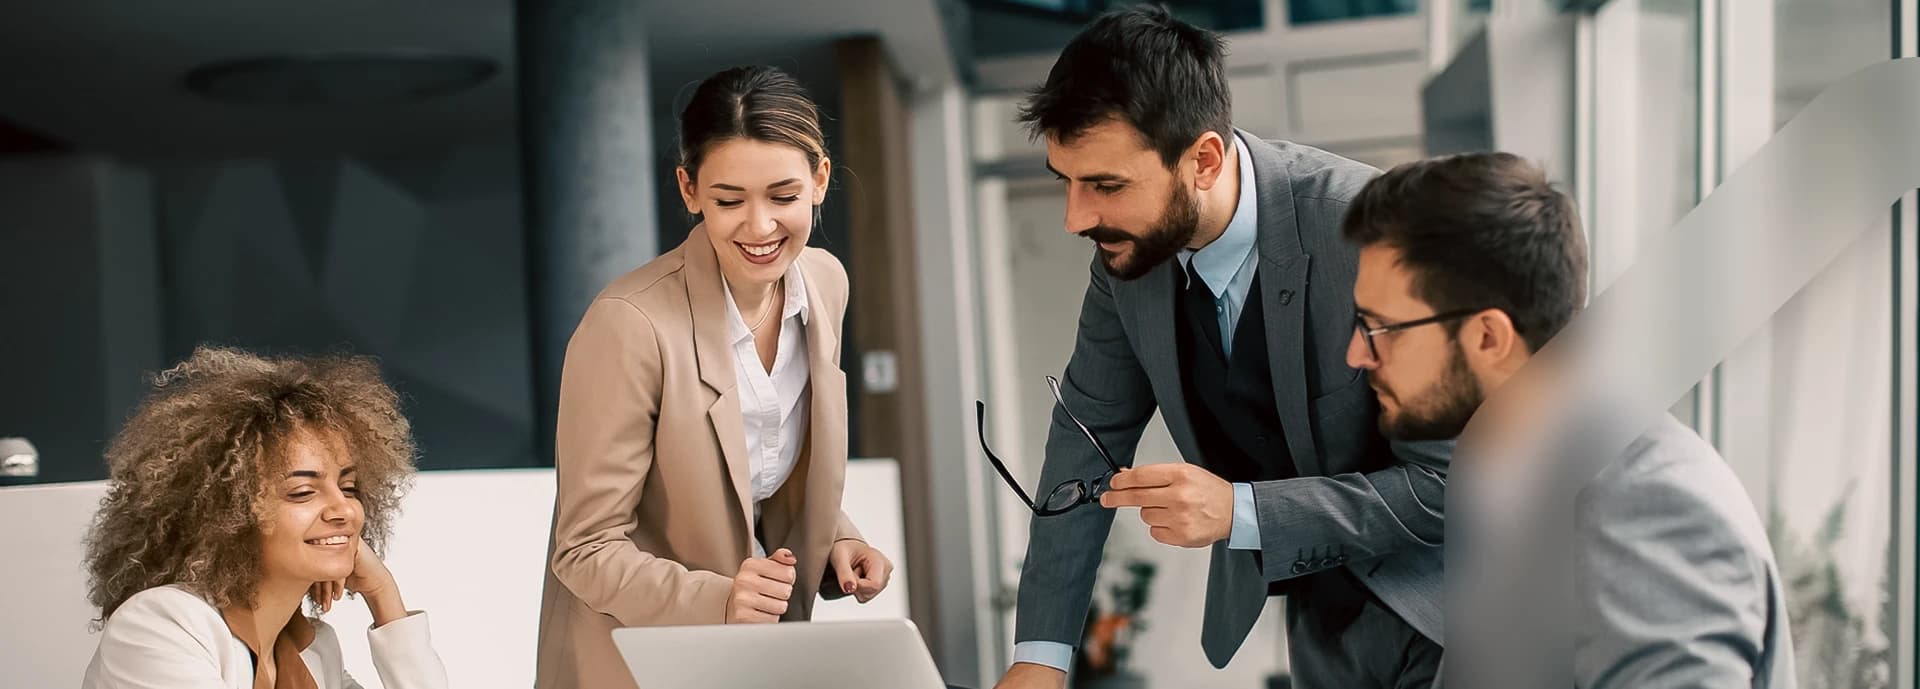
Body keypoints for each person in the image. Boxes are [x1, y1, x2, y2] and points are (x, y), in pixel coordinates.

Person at [988, 6, 1443, 688]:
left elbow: (1454, 485)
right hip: (1320, 631)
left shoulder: (1371, 230)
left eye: (1107, 185)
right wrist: (1041, 658)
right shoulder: (1126, 264)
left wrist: (1242, 512)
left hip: (1454, 617)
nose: (1075, 218)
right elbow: (1082, 443)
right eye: (1066, 180)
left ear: (1203, 159)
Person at [1339, 152, 1791, 688]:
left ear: (1489, 337)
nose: (1356, 354)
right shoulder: (1514, 478)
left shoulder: (1647, 504)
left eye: (1381, 329)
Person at [535, 65, 894, 689]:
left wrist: (836, 538)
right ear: (689, 189)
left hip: (754, 657)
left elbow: (758, 471)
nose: (760, 227)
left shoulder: (825, 282)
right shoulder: (630, 324)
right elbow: (585, 549)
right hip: (632, 665)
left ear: (820, 179)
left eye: (783, 196)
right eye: (729, 201)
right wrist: (720, 599)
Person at [80, 346, 447, 689]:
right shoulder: (162, 625)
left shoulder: (315, 650)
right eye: (302, 492)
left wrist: (383, 595)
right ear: (231, 515)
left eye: (349, 488)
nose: (344, 510)